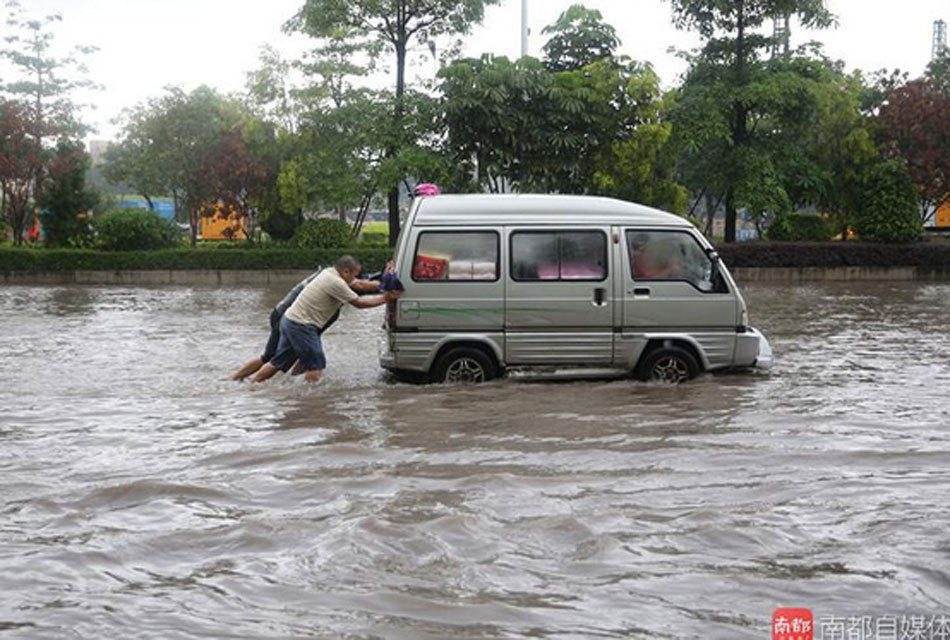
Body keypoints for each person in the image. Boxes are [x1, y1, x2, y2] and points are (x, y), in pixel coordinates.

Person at [250, 255, 401, 384]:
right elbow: (359, 303)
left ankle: (251, 386)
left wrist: (382, 285)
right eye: (354, 275)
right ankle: (313, 404)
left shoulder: (329, 272)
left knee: (278, 362)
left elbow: (359, 284)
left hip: (289, 320)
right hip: (302, 325)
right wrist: (386, 298)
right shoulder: (337, 283)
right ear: (345, 271)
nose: (354, 279)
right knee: (316, 365)